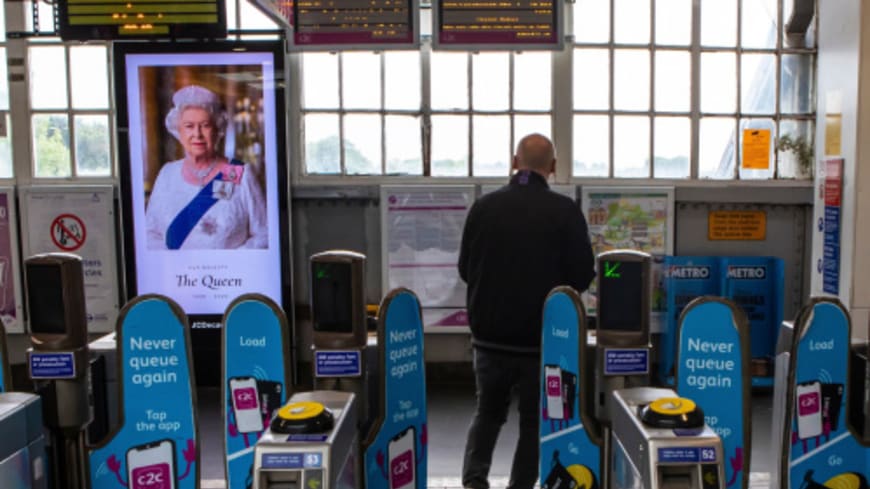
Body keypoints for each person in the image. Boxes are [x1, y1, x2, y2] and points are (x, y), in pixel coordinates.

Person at [458, 133, 596, 489]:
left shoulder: (484, 208)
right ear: (552, 167)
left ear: (514, 161)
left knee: (487, 413)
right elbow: (582, 275)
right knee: (535, 422)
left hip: (489, 341)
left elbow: (464, 269)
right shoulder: (565, 212)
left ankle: (474, 482)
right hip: (543, 343)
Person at [145, 85, 267, 250]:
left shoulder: (240, 174)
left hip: (229, 275)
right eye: (189, 126)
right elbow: (150, 234)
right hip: (178, 275)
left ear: (218, 130)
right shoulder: (167, 174)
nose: (197, 134)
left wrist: (233, 263)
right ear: (178, 131)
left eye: (205, 125)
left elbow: (264, 234)